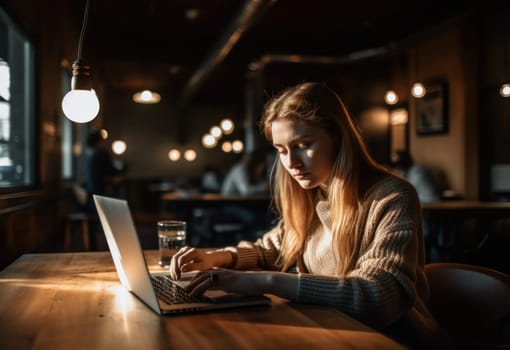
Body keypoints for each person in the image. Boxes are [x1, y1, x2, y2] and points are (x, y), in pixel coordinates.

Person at [169, 82, 445, 348]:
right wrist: (219, 257)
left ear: (337, 137)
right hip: (330, 328)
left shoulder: (392, 195)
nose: (291, 163)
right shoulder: (312, 194)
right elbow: (274, 250)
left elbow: (378, 297)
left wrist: (264, 281)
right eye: (281, 150)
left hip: (389, 339)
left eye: (303, 145)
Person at [84, 129, 123, 213]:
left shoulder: (91, 155)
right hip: (101, 194)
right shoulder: (101, 154)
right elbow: (110, 172)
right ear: (99, 141)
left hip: (91, 194)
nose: (104, 142)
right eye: (103, 140)